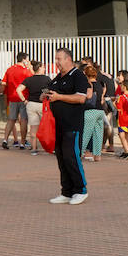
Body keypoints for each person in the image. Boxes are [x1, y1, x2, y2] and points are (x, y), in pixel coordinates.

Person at [47, 48, 91, 204]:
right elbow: (50, 90)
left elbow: (81, 98)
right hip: (58, 124)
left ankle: (81, 190)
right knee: (61, 157)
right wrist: (45, 94)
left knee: (71, 156)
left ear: (68, 59)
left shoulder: (78, 75)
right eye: (55, 59)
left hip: (72, 124)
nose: (57, 62)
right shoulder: (58, 77)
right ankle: (66, 191)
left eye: (59, 59)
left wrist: (59, 96)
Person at [2, 53, 31, 150]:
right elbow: (32, 80)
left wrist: (2, 92)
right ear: (23, 60)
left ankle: (5, 140)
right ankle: (22, 142)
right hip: (23, 98)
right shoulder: (26, 71)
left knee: (11, 120)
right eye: (27, 59)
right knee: (23, 120)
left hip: (12, 98)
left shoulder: (9, 69)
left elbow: (3, 83)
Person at [80, 64, 106, 161]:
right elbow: (102, 99)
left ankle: (80, 152)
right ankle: (97, 155)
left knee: (86, 133)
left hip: (90, 111)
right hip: (100, 111)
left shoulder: (88, 84)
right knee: (98, 134)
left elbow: (89, 96)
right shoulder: (100, 84)